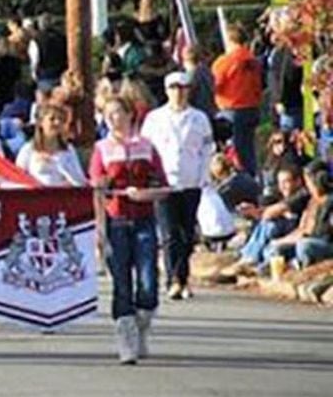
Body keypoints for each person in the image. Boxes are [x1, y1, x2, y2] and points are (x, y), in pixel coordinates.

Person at [89, 95, 168, 364]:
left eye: (118, 113)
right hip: (116, 221)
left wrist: (144, 194)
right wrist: (99, 229)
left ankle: (142, 323)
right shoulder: (101, 149)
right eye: (108, 115)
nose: (113, 119)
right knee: (121, 282)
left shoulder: (147, 147)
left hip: (144, 219)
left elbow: (163, 187)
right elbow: (97, 192)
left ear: (129, 115)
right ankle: (126, 338)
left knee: (148, 283)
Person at [140, 72, 214, 300]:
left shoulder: (199, 118)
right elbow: (146, 149)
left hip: (191, 181)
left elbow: (207, 150)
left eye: (183, 87)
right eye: (174, 87)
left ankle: (183, 276)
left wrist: (203, 176)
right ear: (166, 90)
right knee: (170, 233)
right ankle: (174, 278)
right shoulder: (155, 118)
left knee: (187, 232)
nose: (179, 92)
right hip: (164, 183)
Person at [212, 24, 262, 176]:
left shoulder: (225, 61)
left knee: (234, 153)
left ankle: (238, 183)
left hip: (232, 110)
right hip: (252, 108)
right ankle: (252, 180)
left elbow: (214, 85)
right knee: (248, 150)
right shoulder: (252, 60)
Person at [263, 160, 333, 269]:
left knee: (304, 245)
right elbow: (302, 230)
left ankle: (298, 266)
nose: (308, 186)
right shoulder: (312, 202)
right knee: (274, 248)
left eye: (309, 182)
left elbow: (323, 234)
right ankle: (268, 269)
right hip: (308, 240)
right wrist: (281, 241)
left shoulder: (330, 201)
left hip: (325, 244)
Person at [15, 104, 86, 186]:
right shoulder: (28, 150)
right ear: (41, 122)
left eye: (61, 119)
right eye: (52, 119)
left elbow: (81, 182)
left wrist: (58, 164)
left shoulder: (68, 150)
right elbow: (17, 179)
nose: (57, 122)